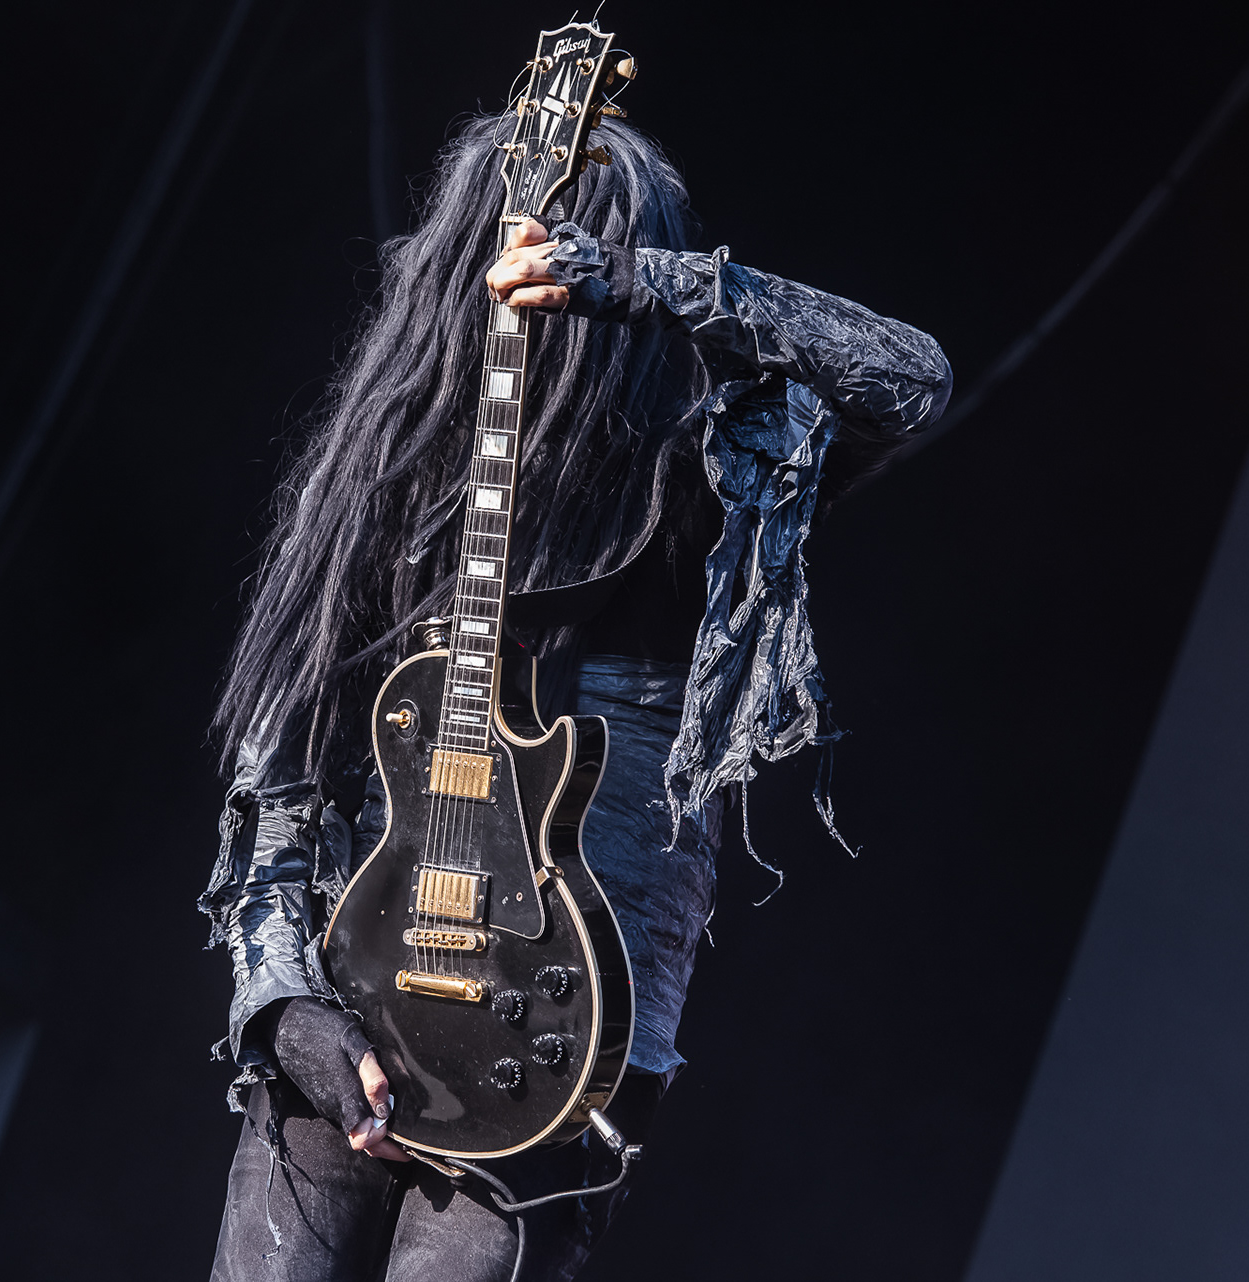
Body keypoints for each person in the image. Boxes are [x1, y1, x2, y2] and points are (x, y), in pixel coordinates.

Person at [200, 110, 950, 1282]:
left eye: (584, 245)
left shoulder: (708, 458)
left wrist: (644, 283)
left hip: (564, 1035)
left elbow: (906, 378)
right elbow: (278, 773)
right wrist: (284, 1008)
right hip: (357, 993)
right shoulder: (386, 471)